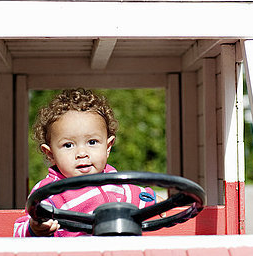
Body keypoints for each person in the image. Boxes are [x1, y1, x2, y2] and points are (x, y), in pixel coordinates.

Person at [13, 88, 157, 237]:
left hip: (116, 255)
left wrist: (154, 200)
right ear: (50, 154)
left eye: (92, 142)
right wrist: (35, 229)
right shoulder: (48, 193)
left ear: (108, 147)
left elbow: (137, 195)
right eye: (68, 145)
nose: (82, 153)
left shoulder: (114, 180)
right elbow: (19, 231)